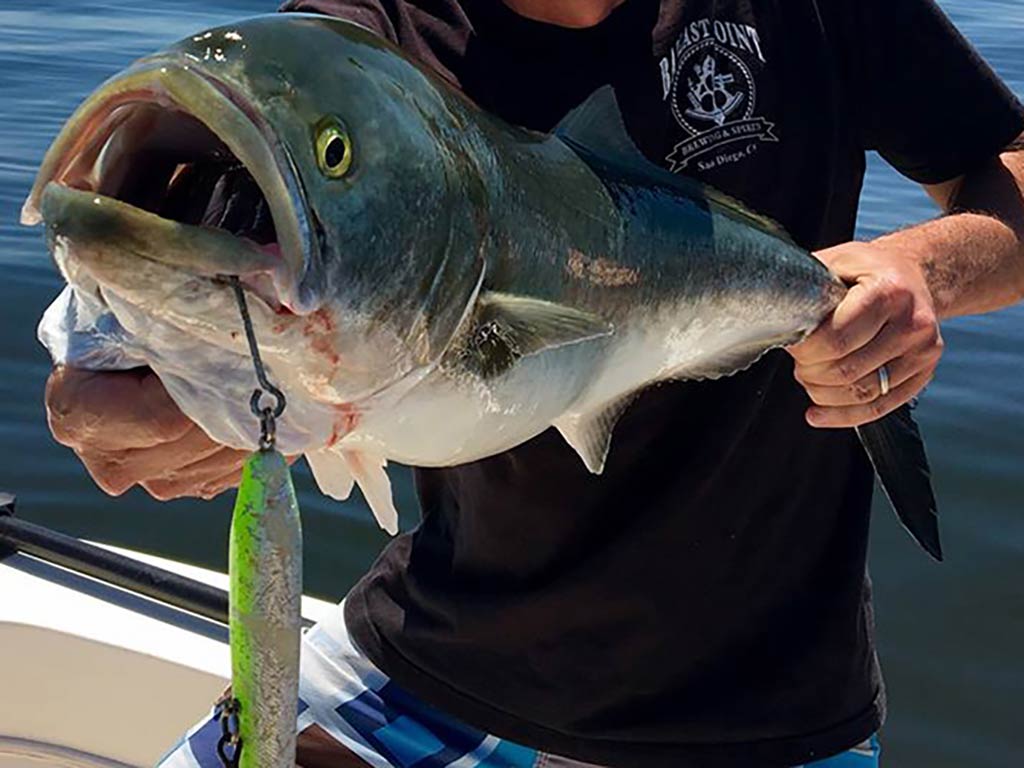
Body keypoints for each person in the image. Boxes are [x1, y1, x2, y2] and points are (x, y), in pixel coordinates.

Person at [46, 1, 1024, 766]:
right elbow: (249, 195)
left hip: (759, 714)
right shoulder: (367, 50)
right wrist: (135, 362)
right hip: (421, 662)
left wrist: (925, 270)